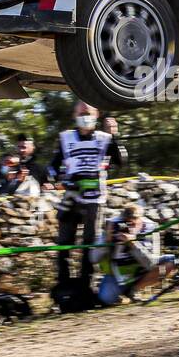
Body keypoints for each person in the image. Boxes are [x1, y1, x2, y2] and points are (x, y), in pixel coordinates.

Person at [47, 102, 124, 286]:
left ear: (96, 115)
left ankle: (86, 285)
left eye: (88, 113)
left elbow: (121, 161)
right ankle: (63, 285)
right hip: (71, 195)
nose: (85, 116)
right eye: (81, 113)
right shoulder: (65, 138)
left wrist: (115, 136)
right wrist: (58, 180)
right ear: (74, 115)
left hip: (95, 198)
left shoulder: (105, 138)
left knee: (90, 243)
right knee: (65, 241)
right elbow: (52, 166)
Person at [90, 203, 177, 304]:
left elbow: (151, 263)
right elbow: (93, 258)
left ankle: (134, 290)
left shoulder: (150, 227)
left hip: (143, 270)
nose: (129, 224)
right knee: (107, 298)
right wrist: (106, 241)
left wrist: (133, 244)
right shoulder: (113, 226)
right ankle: (124, 294)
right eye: (126, 221)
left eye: (134, 220)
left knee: (174, 260)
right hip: (119, 274)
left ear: (141, 219)